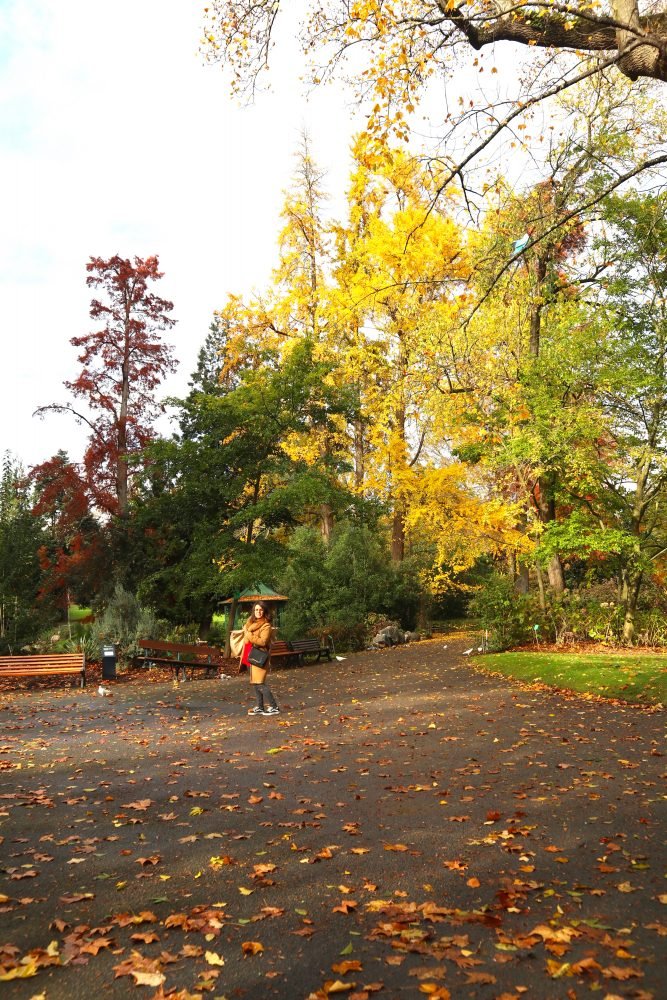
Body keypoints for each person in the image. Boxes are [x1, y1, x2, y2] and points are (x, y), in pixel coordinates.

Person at [240, 601, 280, 717]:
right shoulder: (250, 624)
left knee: (260, 683)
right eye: (256, 610)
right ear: (253, 611)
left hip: (260, 655)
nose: (258, 612)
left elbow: (263, 641)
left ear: (265, 611)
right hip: (250, 655)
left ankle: (274, 707)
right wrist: (248, 635)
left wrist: (249, 635)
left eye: (261, 610)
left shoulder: (266, 625)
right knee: (255, 683)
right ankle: (260, 707)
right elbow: (247, 640)